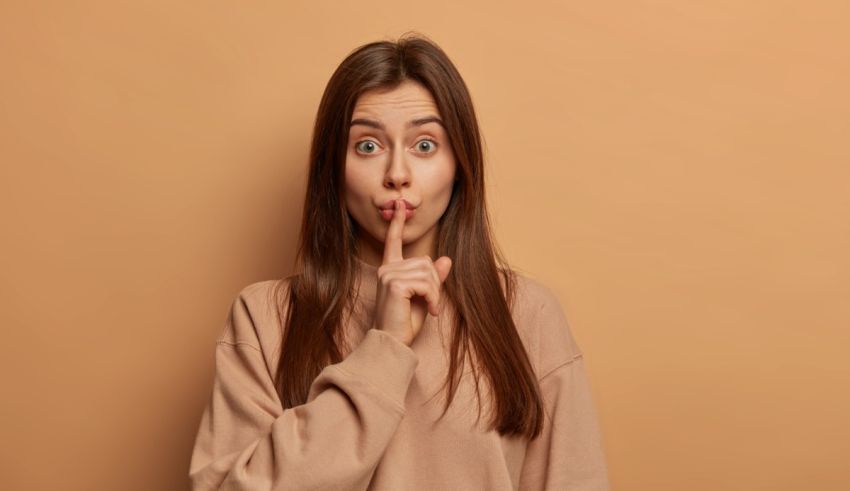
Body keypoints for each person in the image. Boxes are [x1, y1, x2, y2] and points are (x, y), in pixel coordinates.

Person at [189, 32, 610, 490]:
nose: (397, 174)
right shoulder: (265, 317)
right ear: (334, 166)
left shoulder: (526, 314)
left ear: (460, 164)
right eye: (368, 146)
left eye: (424, 145)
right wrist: (384, 348)